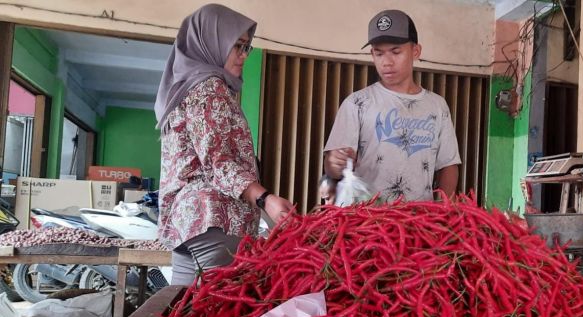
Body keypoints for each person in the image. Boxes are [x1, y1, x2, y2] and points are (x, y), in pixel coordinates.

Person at [155, 4, 293, 286]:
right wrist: (266, 199)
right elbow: (218, 164)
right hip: (214, 219)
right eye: (237, 46)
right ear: (212, 42)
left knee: (181, 313)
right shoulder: (209, 87)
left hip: (191, 224)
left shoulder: (187, 85)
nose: (243, 56)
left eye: (247, 47)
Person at [323, 9, 461, 202]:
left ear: (416, 51)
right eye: (379, 54)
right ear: (372, 54)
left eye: (396, 52)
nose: (386, 62)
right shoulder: (356, 103)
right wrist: (333, 163)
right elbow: (332, 169)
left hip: (419, 222)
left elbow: (448, 165)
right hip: (365, 222)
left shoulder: (437, 106)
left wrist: (445, 212)